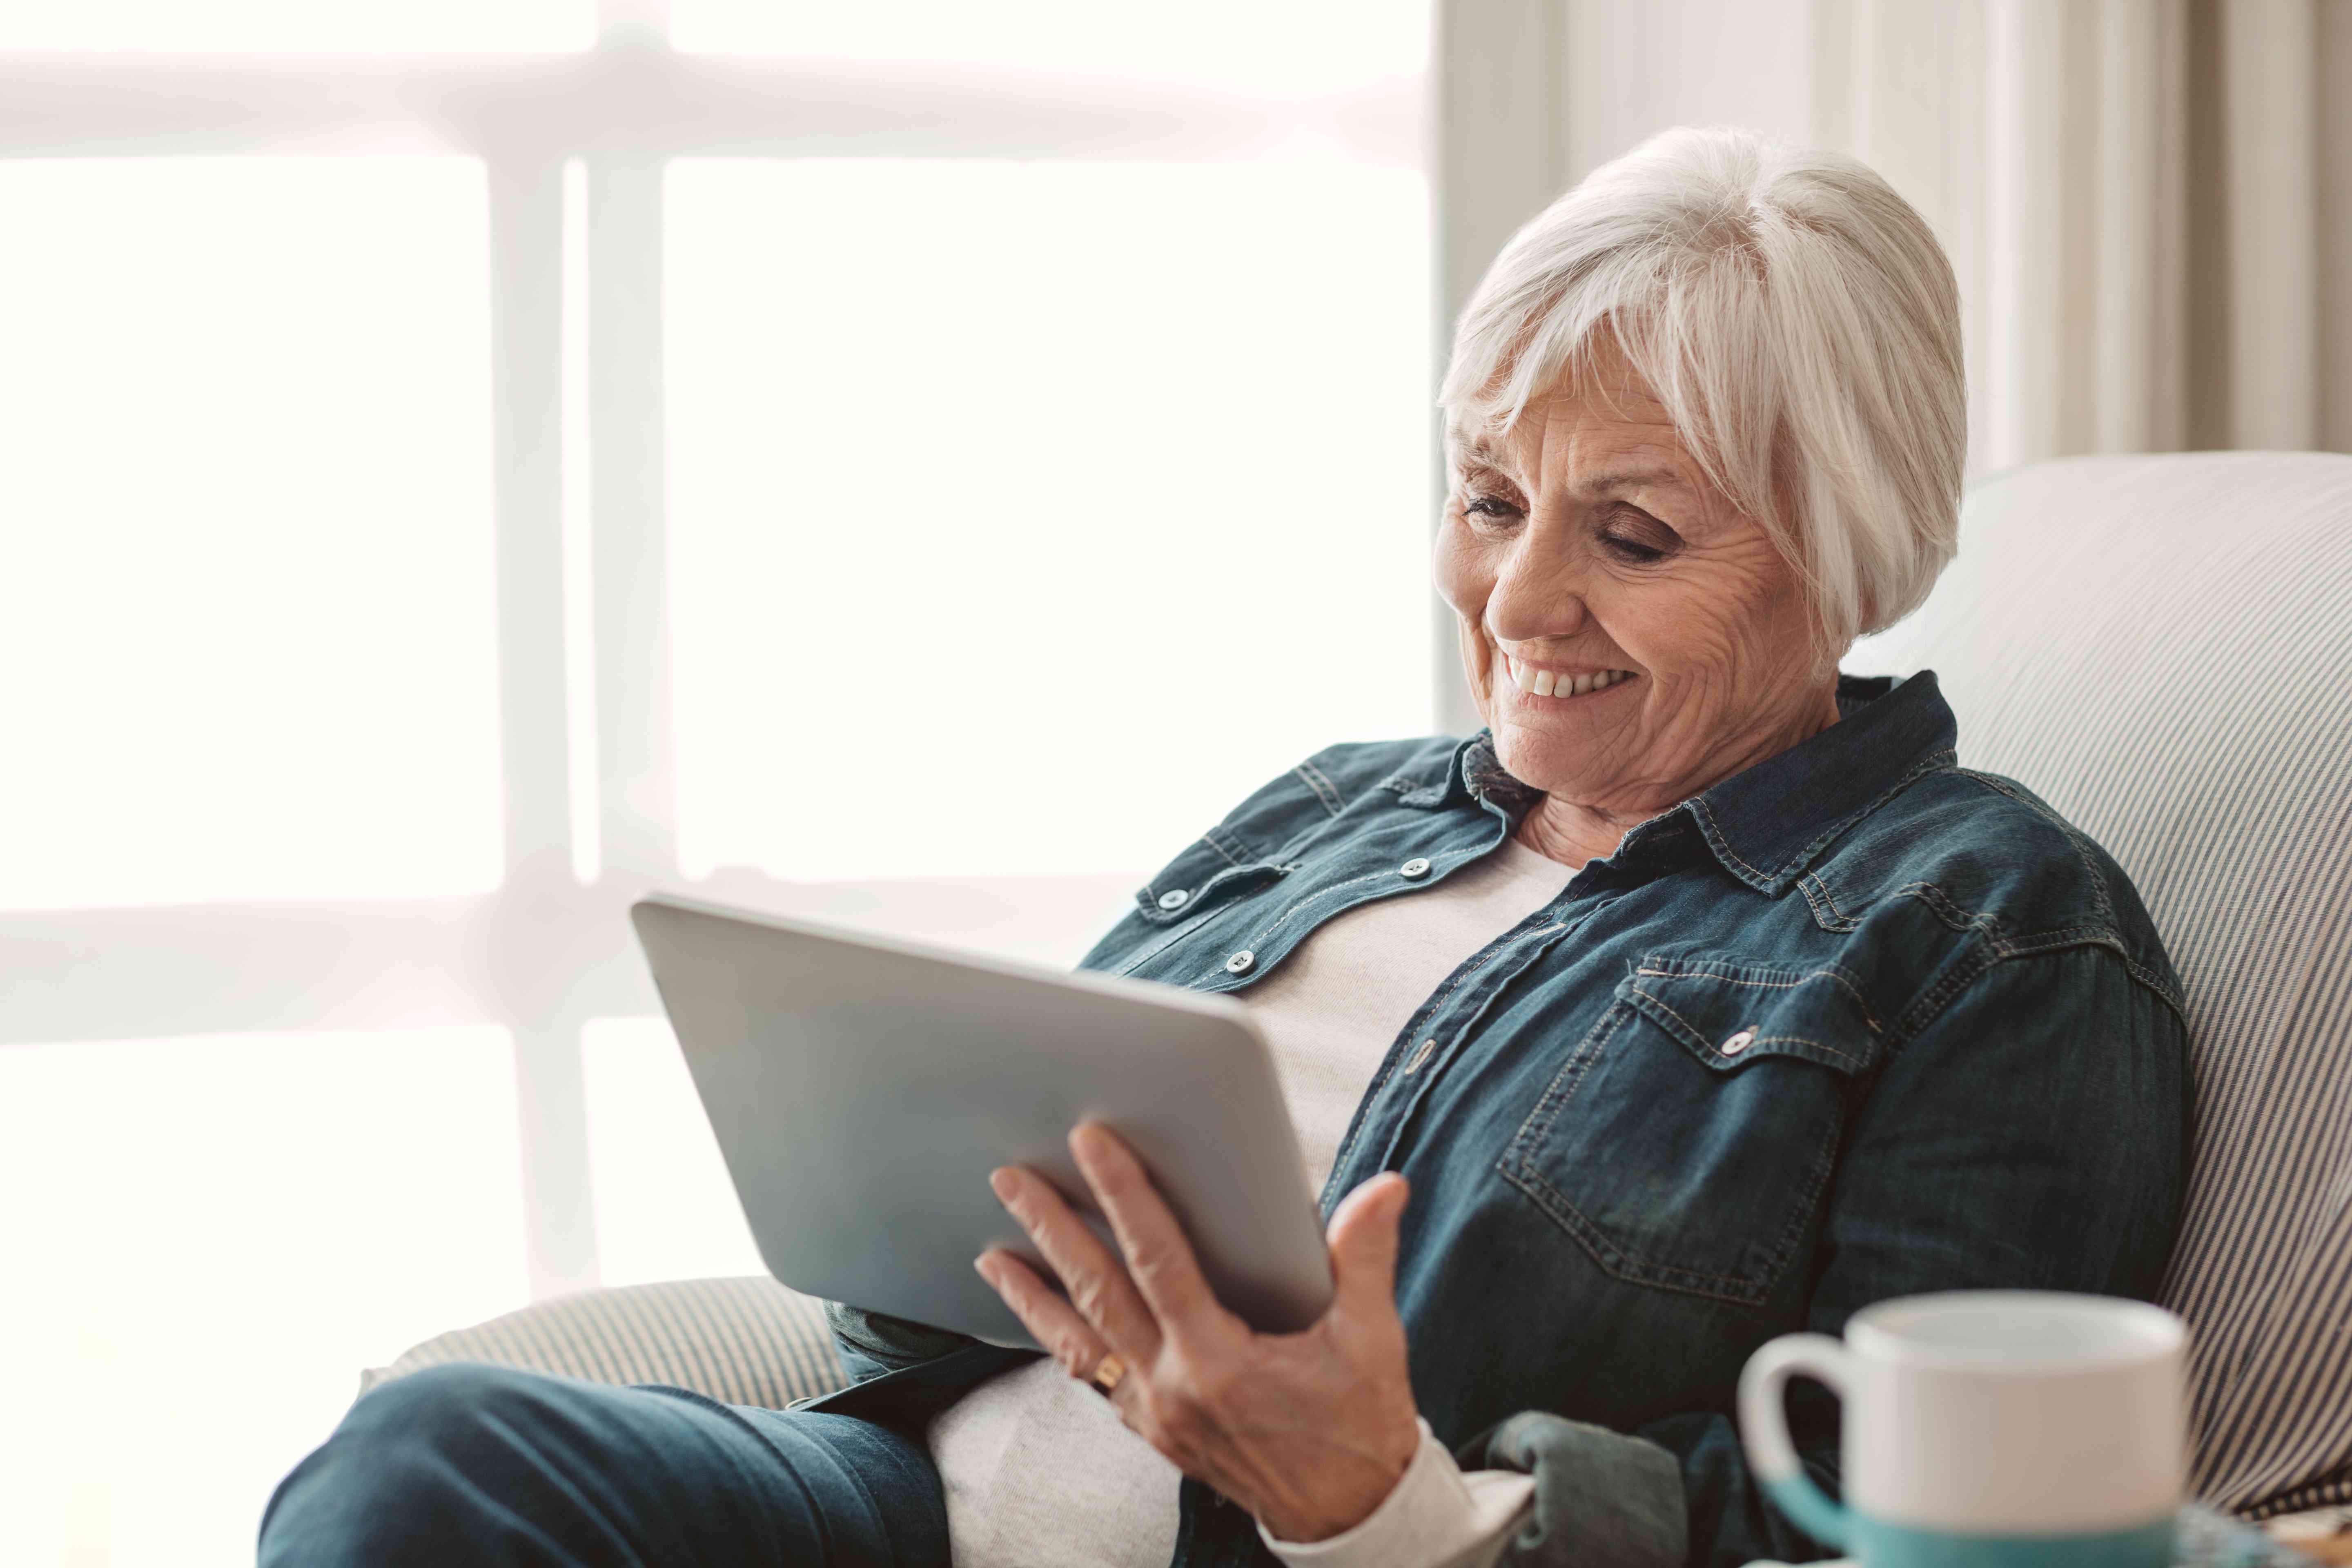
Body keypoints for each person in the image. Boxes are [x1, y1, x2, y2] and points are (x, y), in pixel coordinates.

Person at [258, 125, 2186, 1568]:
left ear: (1843, 547)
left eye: (1637, 535)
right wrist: (921, 1203)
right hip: (910, 1508)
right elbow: (915, 1296)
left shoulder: (1990, 931)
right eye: (1492, 496)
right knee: (423, 1464)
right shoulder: (1335, 810)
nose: (1521, 597)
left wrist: (1382, 1501)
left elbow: (1897, 1517)